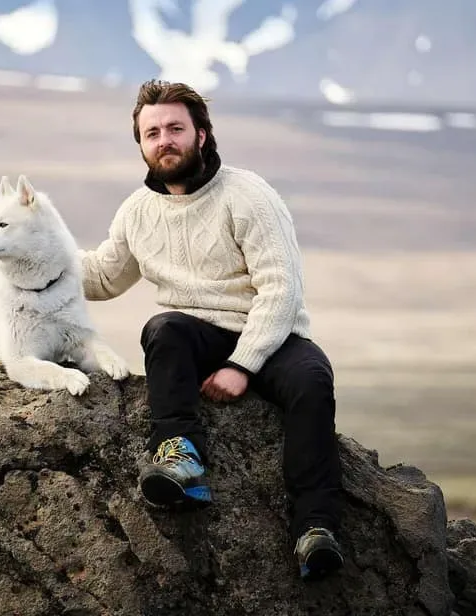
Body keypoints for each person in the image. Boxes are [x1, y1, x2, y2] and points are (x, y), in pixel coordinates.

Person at [80, 79, 345, 580]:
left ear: (201, 134)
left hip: (271, 336)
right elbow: (102, 277)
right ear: (140, 144)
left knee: (312, 379)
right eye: (152, 132)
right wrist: (24, 254)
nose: (165, 141)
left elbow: (281, 290)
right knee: (163, 329)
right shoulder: (137, 211)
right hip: (194, 336)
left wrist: (242, 366)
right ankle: (180, 461)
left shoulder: (248, 195)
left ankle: (316, 530)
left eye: (176, 128)